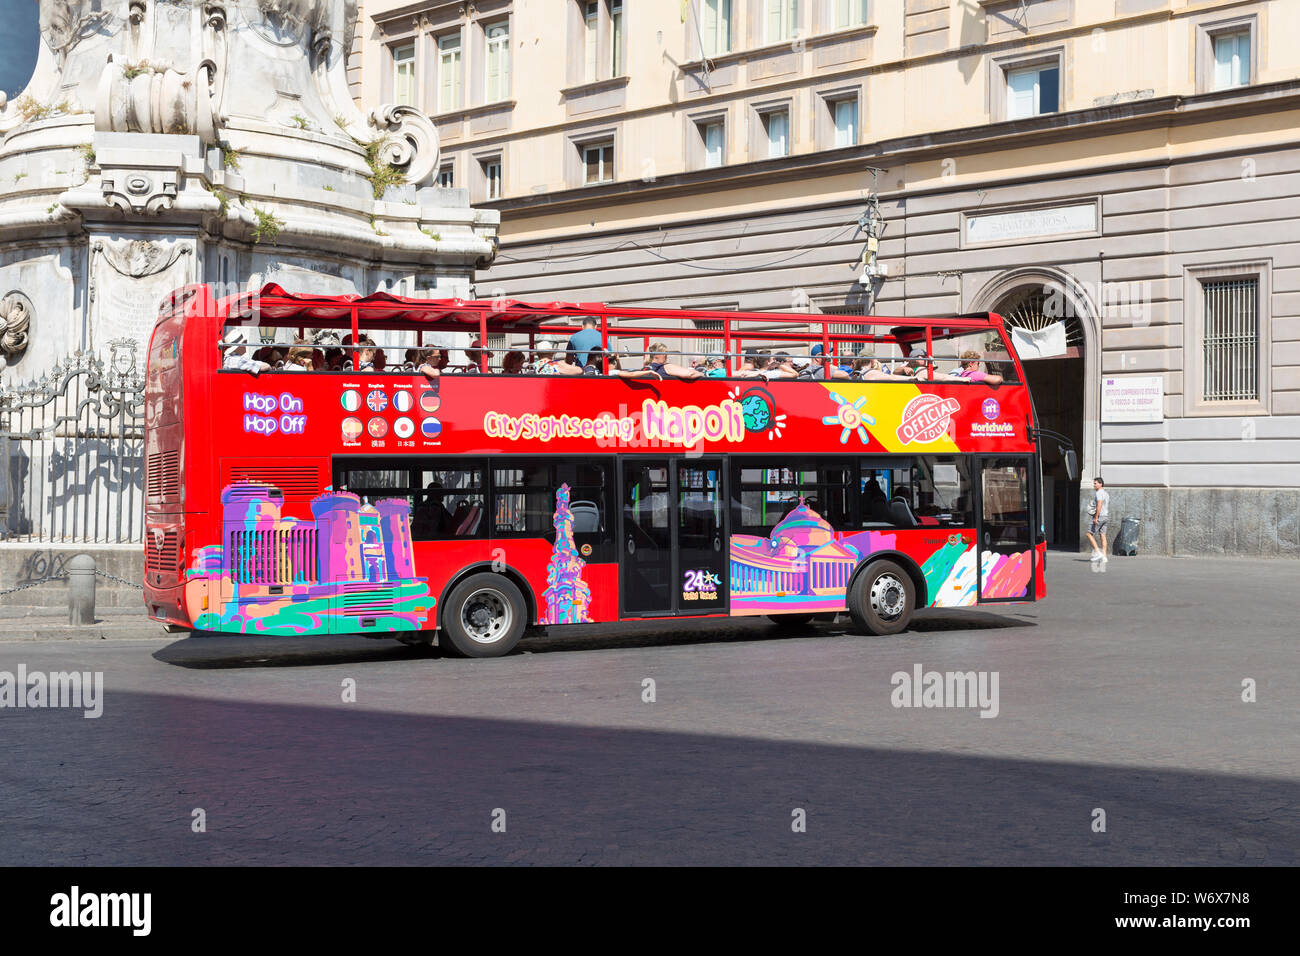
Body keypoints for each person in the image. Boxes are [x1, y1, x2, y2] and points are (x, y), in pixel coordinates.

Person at [1086, 476, 1110, 563]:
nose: (1094, 485)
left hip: (1100, 516)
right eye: (1094, 483)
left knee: (1089, 534)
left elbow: (1099, 505)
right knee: (1103, 535)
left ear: (1101, 484)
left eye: (1095, 483)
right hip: (1106, 516)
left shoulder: (1099, 493)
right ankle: (1104, 557)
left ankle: (1098, 552)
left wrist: (1096, 517)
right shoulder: (1106, 493)